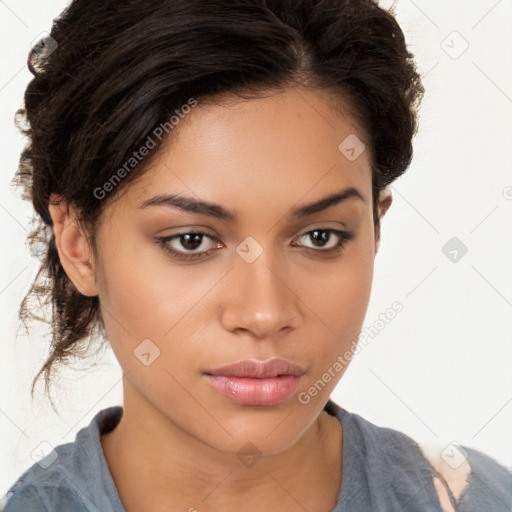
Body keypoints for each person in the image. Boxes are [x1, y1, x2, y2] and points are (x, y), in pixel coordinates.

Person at [1, 0, 510, 511]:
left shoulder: (474, 498)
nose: (265, 312)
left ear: (375, 225)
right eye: (192, 240)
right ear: (78, 245)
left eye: (319, 237)